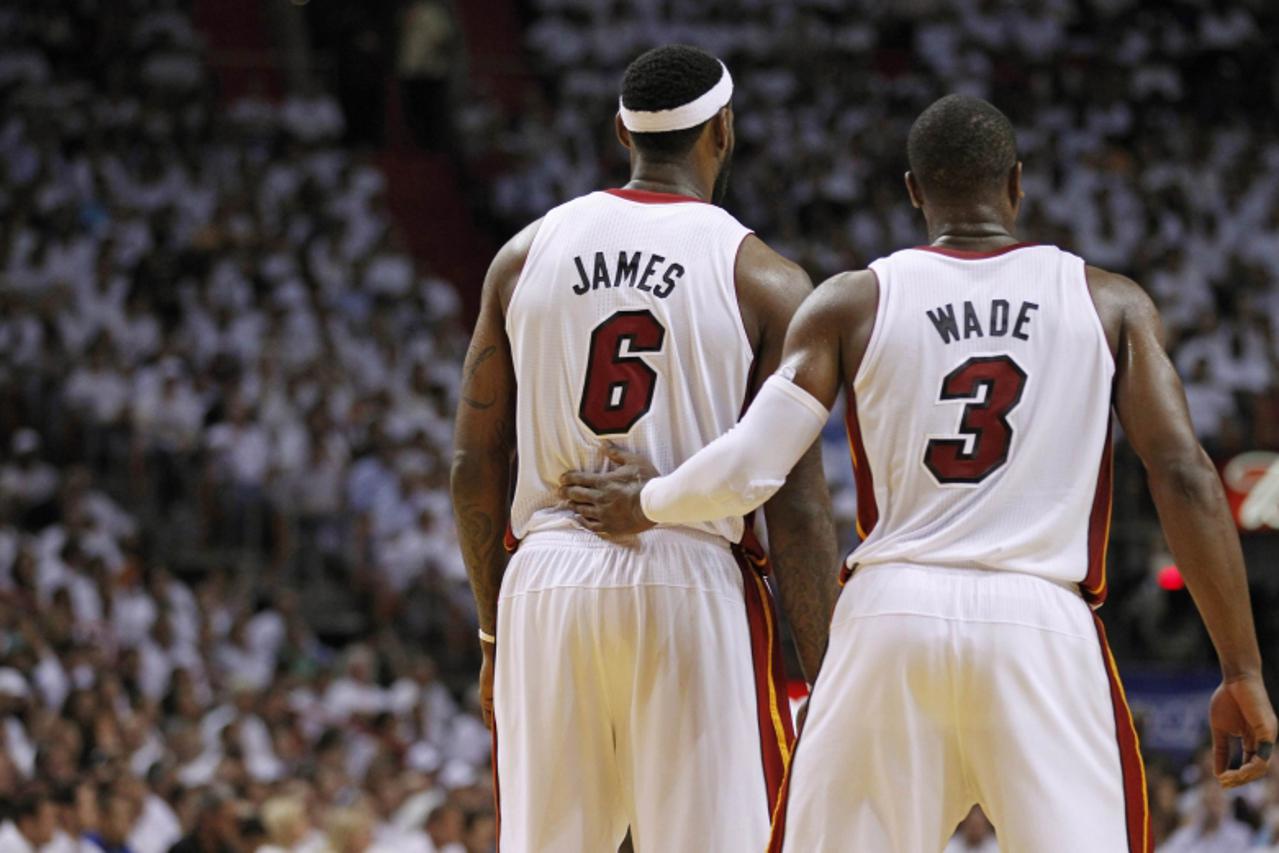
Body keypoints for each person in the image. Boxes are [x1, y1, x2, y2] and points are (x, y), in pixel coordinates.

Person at [561, 94, 1278, 852]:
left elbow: (752, 462)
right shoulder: (1108, 302)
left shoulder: (851, 301)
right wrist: (1240, 668)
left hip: (887, 617)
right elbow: (1186, 475)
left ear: (912, 189)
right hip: (1038, 619)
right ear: (1016, 184)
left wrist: (645, 499)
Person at [450, 43, 838, 852]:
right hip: (686, 569)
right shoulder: (765, 278)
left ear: (620, 133)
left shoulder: (521, 258)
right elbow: (795, 507)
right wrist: (832, 669)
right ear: (722, 131)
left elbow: (473, 467)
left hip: (546, 571)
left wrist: (491, 636)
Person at [0, 786, 58, 853]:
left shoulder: (34, 845)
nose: (55, 824)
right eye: (49, 819)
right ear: (27, 823)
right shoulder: (9, 847)